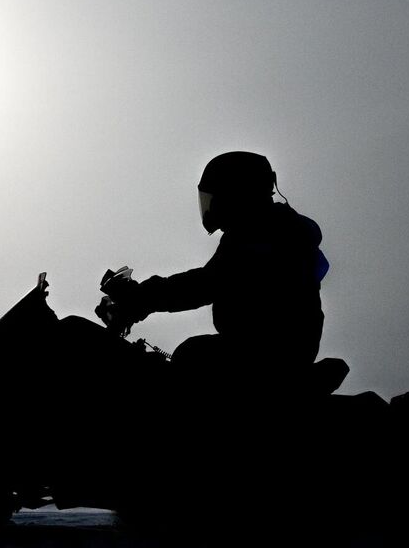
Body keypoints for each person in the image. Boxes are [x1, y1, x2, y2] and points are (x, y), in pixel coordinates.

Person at [103, 151, 328, 394]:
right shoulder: (270, 229)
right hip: (273, 351)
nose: (211, 208)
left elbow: (206, 283)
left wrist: (139, 298)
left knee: (193, 355)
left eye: (215, 198)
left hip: (267, 356)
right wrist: (139, 302)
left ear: (236, 193)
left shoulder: (267, 232)